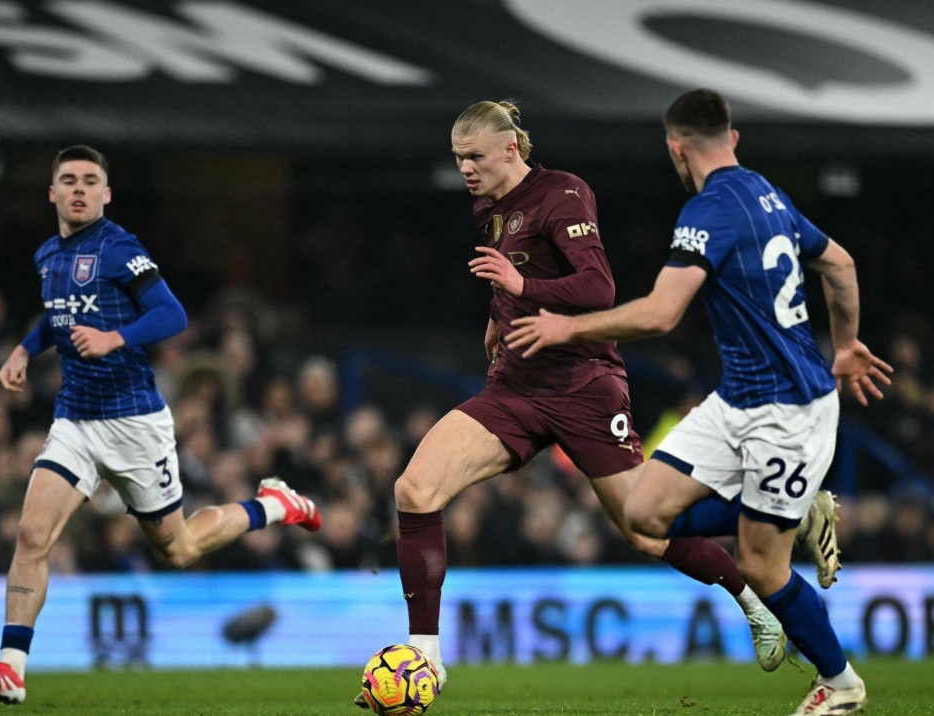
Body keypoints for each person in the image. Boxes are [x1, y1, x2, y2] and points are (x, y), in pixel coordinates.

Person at [368, 100, 789, 705]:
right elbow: (510, 276)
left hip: (584, 388)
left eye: (475, 156)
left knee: (644, 533)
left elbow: (599, 287)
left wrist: (521, 288)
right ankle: (427, 658)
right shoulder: (489, 207)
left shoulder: (562, 194)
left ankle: (752, 597)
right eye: (459, 158)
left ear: (510, 149)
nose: (465, 168)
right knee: (414, 490)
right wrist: (498, 315)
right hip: (514, 387)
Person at [506, 89, 893, 716]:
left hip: (788, 410)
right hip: (736, 397)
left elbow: (660, 315)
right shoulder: (767, 193)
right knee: (641, 515)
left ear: (675, 148)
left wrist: (566, 327)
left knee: (762, 568)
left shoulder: (706, 212)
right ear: (732, 139)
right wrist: (845, 344)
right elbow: (841, 265)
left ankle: (840, 682)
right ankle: (796, 515)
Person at [0, 146, 322, 705]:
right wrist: (22, 351)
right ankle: (11, 668)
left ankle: (274, 506)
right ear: (52, 193)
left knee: (177, 550)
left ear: (106, 195)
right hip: (76, 420)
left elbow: (172, 313)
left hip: (135, 423)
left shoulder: (117, 247)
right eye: (68, 181)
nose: (79, 189)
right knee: (32, 534)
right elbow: (56, 316)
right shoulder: (46, 256)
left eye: (90, 181)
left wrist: (115, 337)